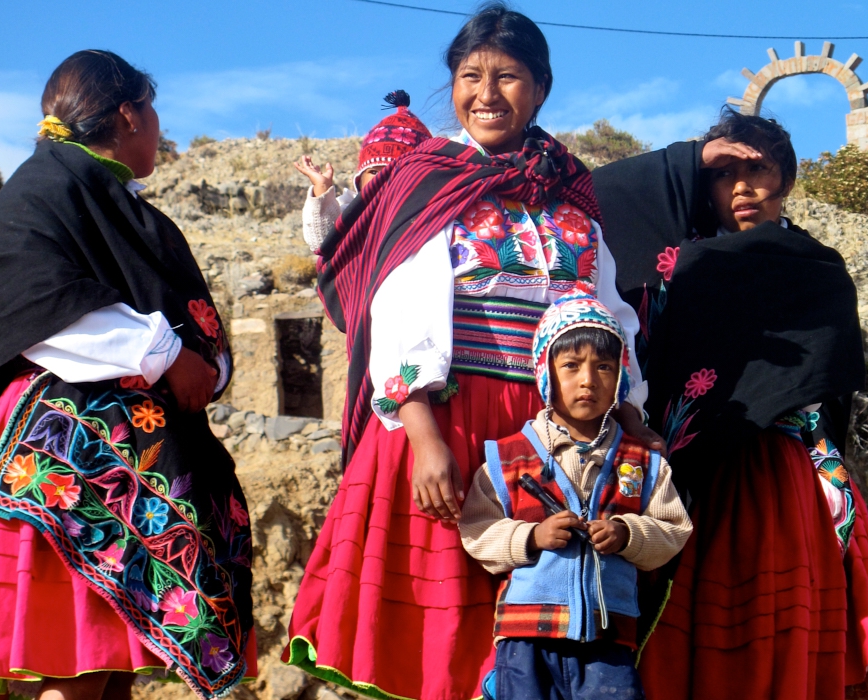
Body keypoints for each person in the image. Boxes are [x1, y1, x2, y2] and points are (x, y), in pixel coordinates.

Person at [282, 5, 658, 699]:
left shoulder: (571, 195)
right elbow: (400, 306)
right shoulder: (430, 180)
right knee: (448, 638)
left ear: (541, 87)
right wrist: (423, 435)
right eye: (469, 76)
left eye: (508, 77)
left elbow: (607, 311)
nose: (487, 94)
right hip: (451, 425)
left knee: (543, 636)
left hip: (554, 442)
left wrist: (629, 411)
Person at [0, 50, 255, 700]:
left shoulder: (107, 202)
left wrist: (198, 359)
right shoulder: (39, 194)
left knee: (108, 672)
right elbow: (47, 305)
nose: (158, 130)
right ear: (129, 113)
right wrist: (168, 355)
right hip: (68, 461)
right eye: (153, 112)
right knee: (73, 672)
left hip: (123, 462)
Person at [592, 107, 868, 699]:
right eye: (722, 173)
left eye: (759, 169)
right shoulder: (675, 265)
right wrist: (690, 157)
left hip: (777, 480)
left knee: (767, 648)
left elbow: (831, 391)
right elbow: (598, 195)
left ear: (786, 181)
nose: (741, 187)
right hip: (680, 481)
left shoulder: (818, 271)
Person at [460, 288, 692, 700]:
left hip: (609, 640)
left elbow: (674, 528)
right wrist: (531, 537)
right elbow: (478, 530)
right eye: (571, 366)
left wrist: (627, 534)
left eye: (604, 367)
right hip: (526, 638)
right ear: (546, 373)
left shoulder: (641, 461)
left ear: (620, 377)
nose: (588, 380)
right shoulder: (510, 457)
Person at [294, 90, 433, 253]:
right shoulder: (352, 212)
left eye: (397, 173)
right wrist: (322, 189)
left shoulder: (429, 214)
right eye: (374, 172)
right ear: (359, 181)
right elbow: (321, 241)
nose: (383, 180)